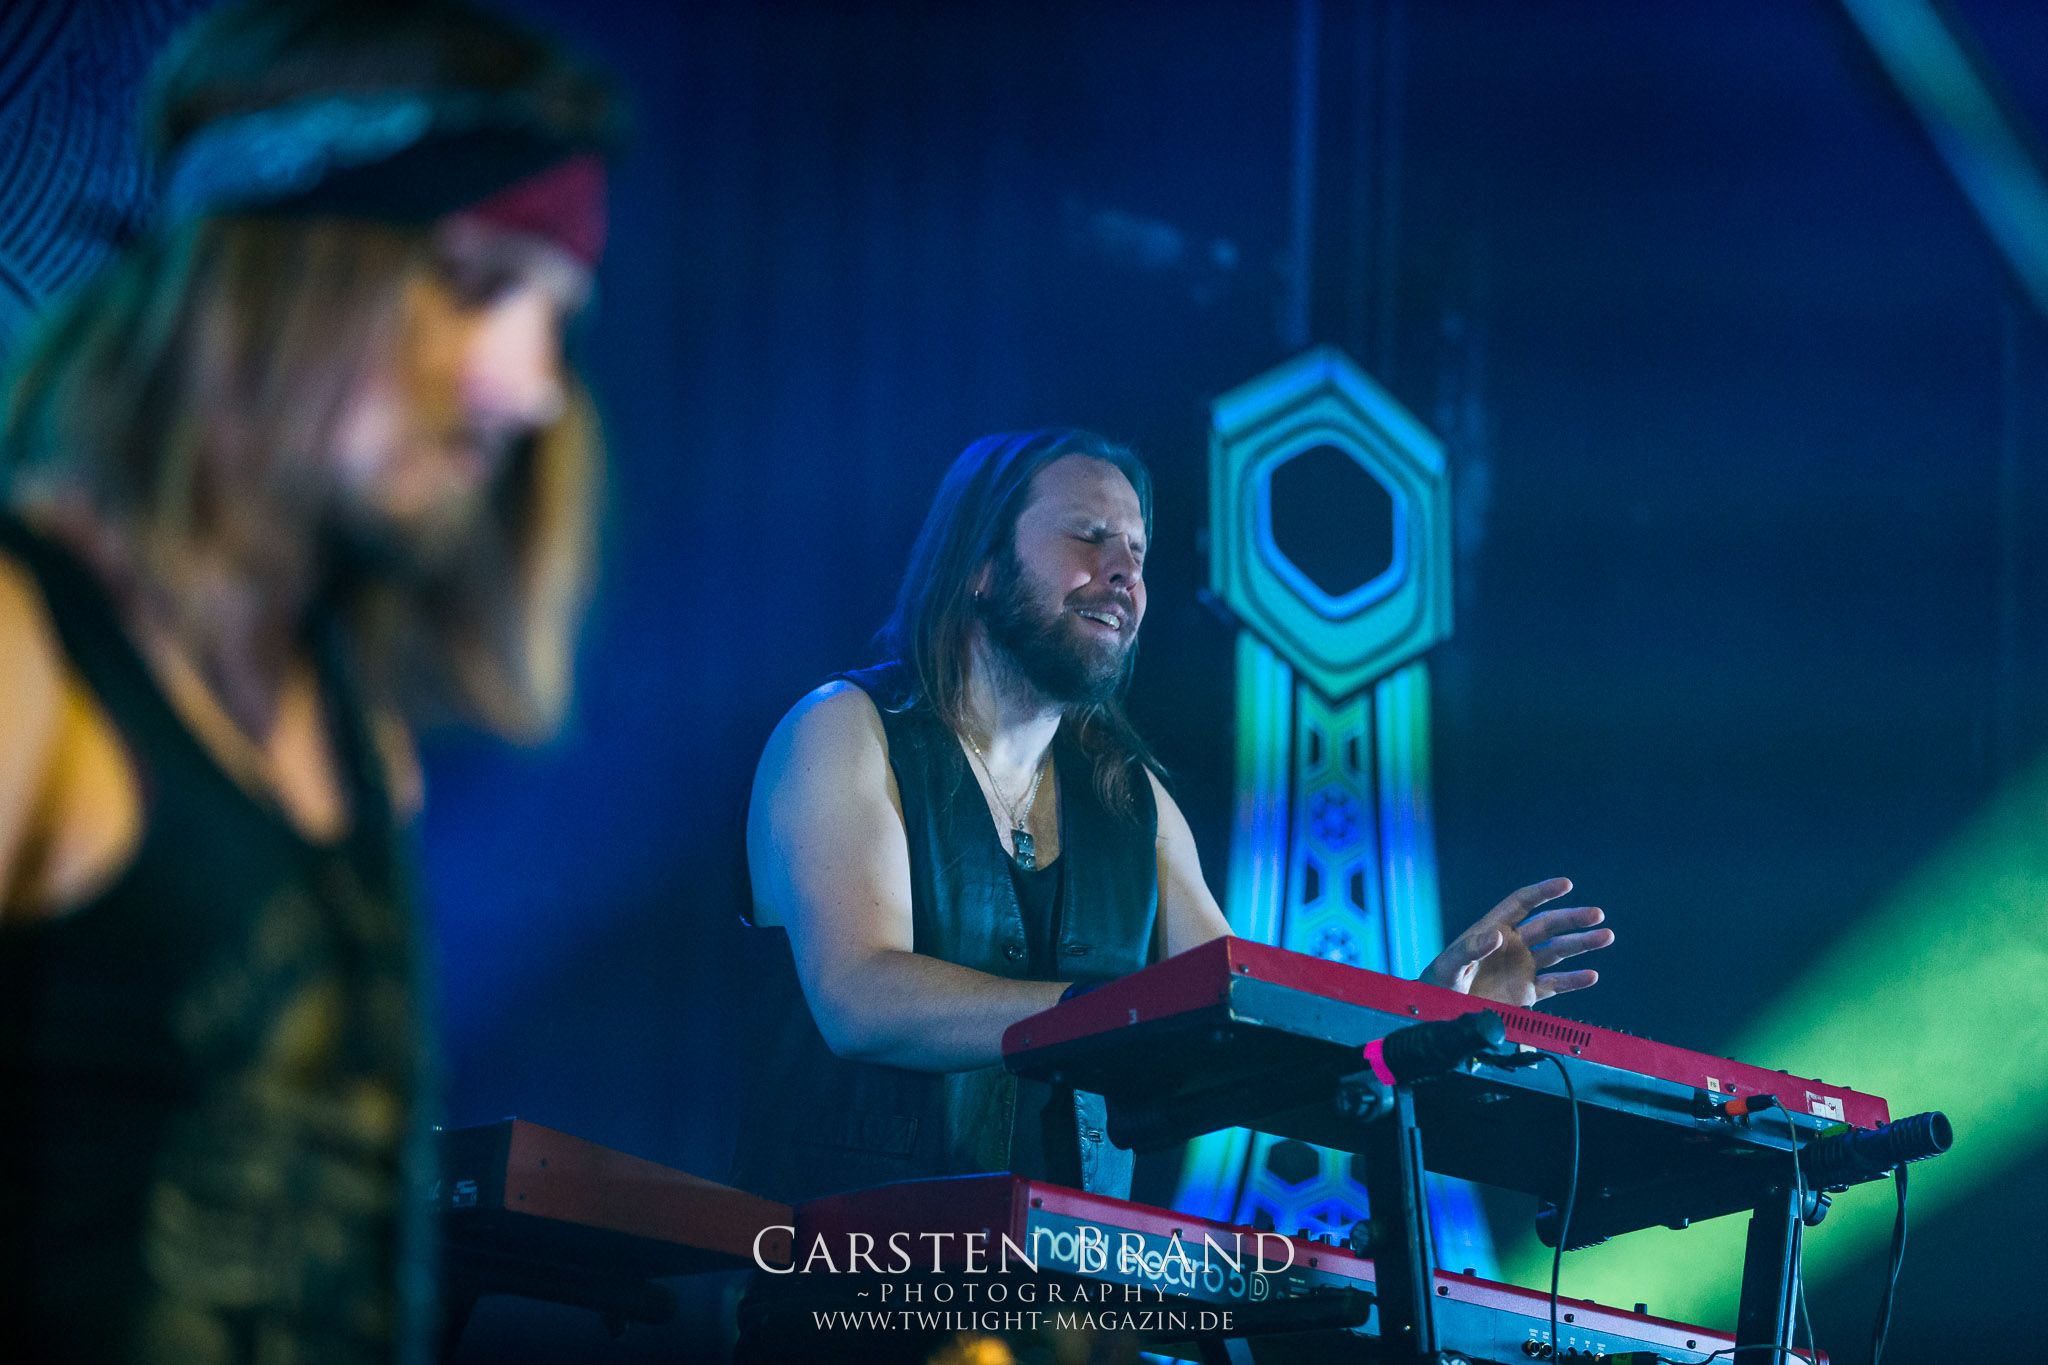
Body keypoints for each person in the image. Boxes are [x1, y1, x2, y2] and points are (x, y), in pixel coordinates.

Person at [0, 2, 620, 1360]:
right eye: (476, 284)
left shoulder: (354, 734)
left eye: (555, 317)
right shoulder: (24, 648)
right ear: (278, 261)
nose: (529, 387)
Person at [733, 428, 1614, 1206]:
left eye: (1138, 550)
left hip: (1069, 1307)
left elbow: (1247, 1025)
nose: (1124, 572)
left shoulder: (1132, 799)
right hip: (842, 1285)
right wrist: (1110, 1014)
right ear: (981, 565)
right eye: (1089, 536)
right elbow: (858, 997)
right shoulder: (843, 730)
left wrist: (1429, 1026)